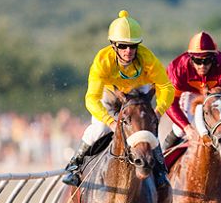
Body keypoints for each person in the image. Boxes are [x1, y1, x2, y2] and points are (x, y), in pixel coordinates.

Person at [62, 10, 175, 188]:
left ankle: (160, 171)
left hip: (137, 94)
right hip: (110, 96)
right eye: (122, 46)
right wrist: (110, 122)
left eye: (133, 46)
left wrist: (159, 111)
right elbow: (91, 99)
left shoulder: (147, 59)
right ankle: (75, 165)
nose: (128, 51)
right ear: (113, 45)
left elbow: (166, 87)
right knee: (99, 129)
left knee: (146, 128)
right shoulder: (102, 61)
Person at [163, 31, 221, 191]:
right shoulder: (177, 68)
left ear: (214, 58)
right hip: (189, 94)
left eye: (207, 60)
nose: (202, 66)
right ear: (190, 58)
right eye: (197, 61)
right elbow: (169, 103)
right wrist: (187, 127)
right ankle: (160, 168)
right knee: (179, 130)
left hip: (214, 97)